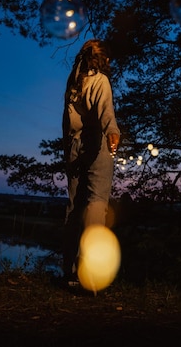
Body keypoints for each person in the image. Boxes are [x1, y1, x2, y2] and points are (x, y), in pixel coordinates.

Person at [61, 39, 120, 286]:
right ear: (102, 58)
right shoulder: (100, 81)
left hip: (74, 146)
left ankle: (69, 271)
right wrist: (113, 133)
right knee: (96, 204)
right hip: (97, 143)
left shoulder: (73, 82)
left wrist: (69, 151)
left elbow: (67, 122)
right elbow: (106, 111)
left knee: (75, 206)